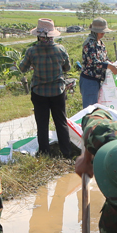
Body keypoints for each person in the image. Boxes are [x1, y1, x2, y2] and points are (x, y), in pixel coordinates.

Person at [19, 19, 73, 157]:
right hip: (58, 91)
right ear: (52, 35)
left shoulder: (32, 51)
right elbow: (67, 68)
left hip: (39, 92)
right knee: (61, 122)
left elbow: (22, 68)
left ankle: (44, 153)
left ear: (38, 36)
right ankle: (66, 153)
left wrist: (33, 65)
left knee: (42, 124)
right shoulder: (60, 49)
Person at [80, 18, 117, 107]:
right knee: (90, 110)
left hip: (97, 80)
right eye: (101, 32)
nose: (103, 34)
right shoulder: (90, 43)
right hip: (89, 80)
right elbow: (93, 62)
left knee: (97, 108)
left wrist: (112, 63)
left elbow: (104, 58)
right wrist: (109, 66)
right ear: (95, 31)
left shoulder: (100, 43)